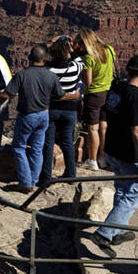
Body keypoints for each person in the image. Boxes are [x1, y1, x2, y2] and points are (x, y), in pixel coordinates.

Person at [0, 45, 78, 192]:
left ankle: (25, 183)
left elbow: (6, 94)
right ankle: (33, 180)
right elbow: (61, 95)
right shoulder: (51, 75)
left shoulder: (22, 75)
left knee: (19, 147)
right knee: (37, 149)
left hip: (27, 116)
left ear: (30, 58)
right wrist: (75, 96)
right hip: (44, 115)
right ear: (44, 59)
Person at [88, 56, 138, 258]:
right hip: (128, 154)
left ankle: (119, 230)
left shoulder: (117, 89)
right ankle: (104, 233)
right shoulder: (136, 97)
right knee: (133, 196)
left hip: (112, 149)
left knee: (122, 190)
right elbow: (137, 131)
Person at [40, 36, 83, 182]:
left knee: (48, 143)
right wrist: (70, 48)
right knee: (67, 142)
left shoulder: (47, 69)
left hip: (51, 109)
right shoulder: (75, 67)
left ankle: (45, 177)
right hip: (70, 110)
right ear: (67, 53)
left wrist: (50, 42)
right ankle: (71, 174)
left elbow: (34, 55)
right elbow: (80, 60)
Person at [74, 29, 115, 171]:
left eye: (79, 43)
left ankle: (92, 160)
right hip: (108, 92)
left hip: (94, 95)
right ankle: (102, 158)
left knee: (93, 129)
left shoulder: (89, 57)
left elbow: (88, 82)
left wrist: (81, 75)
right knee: (104, 126)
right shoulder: (109, 49)